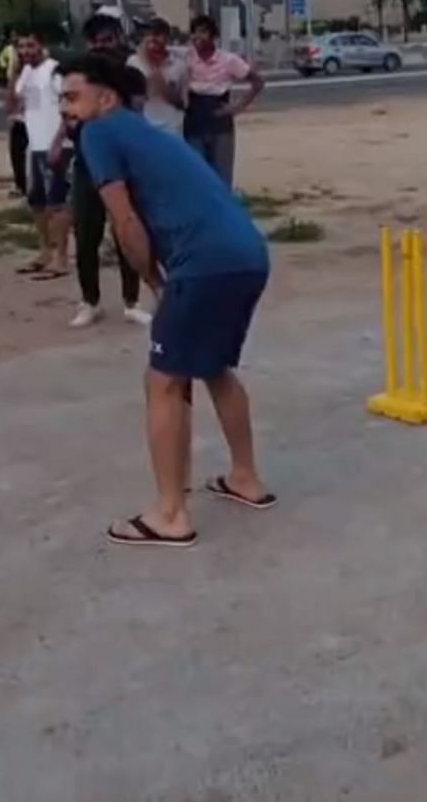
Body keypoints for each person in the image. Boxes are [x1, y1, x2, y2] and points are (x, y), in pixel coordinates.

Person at [58, 52, 274, 549]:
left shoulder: (100, 134)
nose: (66, 109)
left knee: (163, 381)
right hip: (246, 253)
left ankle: (170, 514)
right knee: (214, 366)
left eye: (72, 97)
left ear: (105, 98)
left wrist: (155, 281)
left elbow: (125, 222)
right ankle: (246, 478)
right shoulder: (146, 130)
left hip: (205, 264)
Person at [63, 13, 146, 328]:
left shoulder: (130, 75)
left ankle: (132, 300)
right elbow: (68, 115)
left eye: (108, 39)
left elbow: (138, 116)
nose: (102, 46)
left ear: (118, 39)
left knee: (127, 230)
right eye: (97, 40)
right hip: (87, 165)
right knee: (86, 235)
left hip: (124, 166)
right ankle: (90, 301)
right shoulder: (77, 78)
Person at [7, 33, 68, 280]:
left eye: (30, 45)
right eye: (21, 47)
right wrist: (12, 73)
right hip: (36, 145)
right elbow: (12, 105)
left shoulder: (54, 70)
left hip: (56, 145)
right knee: (38, 203)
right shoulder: (26, 73)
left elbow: (67, 107)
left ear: (42, 45)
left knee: (57, 204)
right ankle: (44, 252)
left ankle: (62, 257)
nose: (25, 51)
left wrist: (58, 142)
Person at [181, 14, 265, 187]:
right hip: (193, 121)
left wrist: (237, 107)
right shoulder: (186, 57)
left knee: (222, 176)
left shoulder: (228, 60)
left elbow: (257, 82)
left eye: (203, 32)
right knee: (196, 175)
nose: (198, 37)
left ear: (214, 36)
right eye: (194, 32)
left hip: (219, 121)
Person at [128, 17, 188, 132]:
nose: (153, 38)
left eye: (158, 34)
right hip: (142, 126)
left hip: (172, 127)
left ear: (167, 38)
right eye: (149, 34)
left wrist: (167, 91)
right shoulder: (133, 62)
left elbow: (183, 103)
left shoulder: (180, 65)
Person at [0, 34, 27, 195]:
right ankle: (21, 185)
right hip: (19, 119)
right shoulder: (16, 69)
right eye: (20, 47)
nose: (23, 51)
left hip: (35, 120)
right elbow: (10, 99)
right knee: (17, 153)